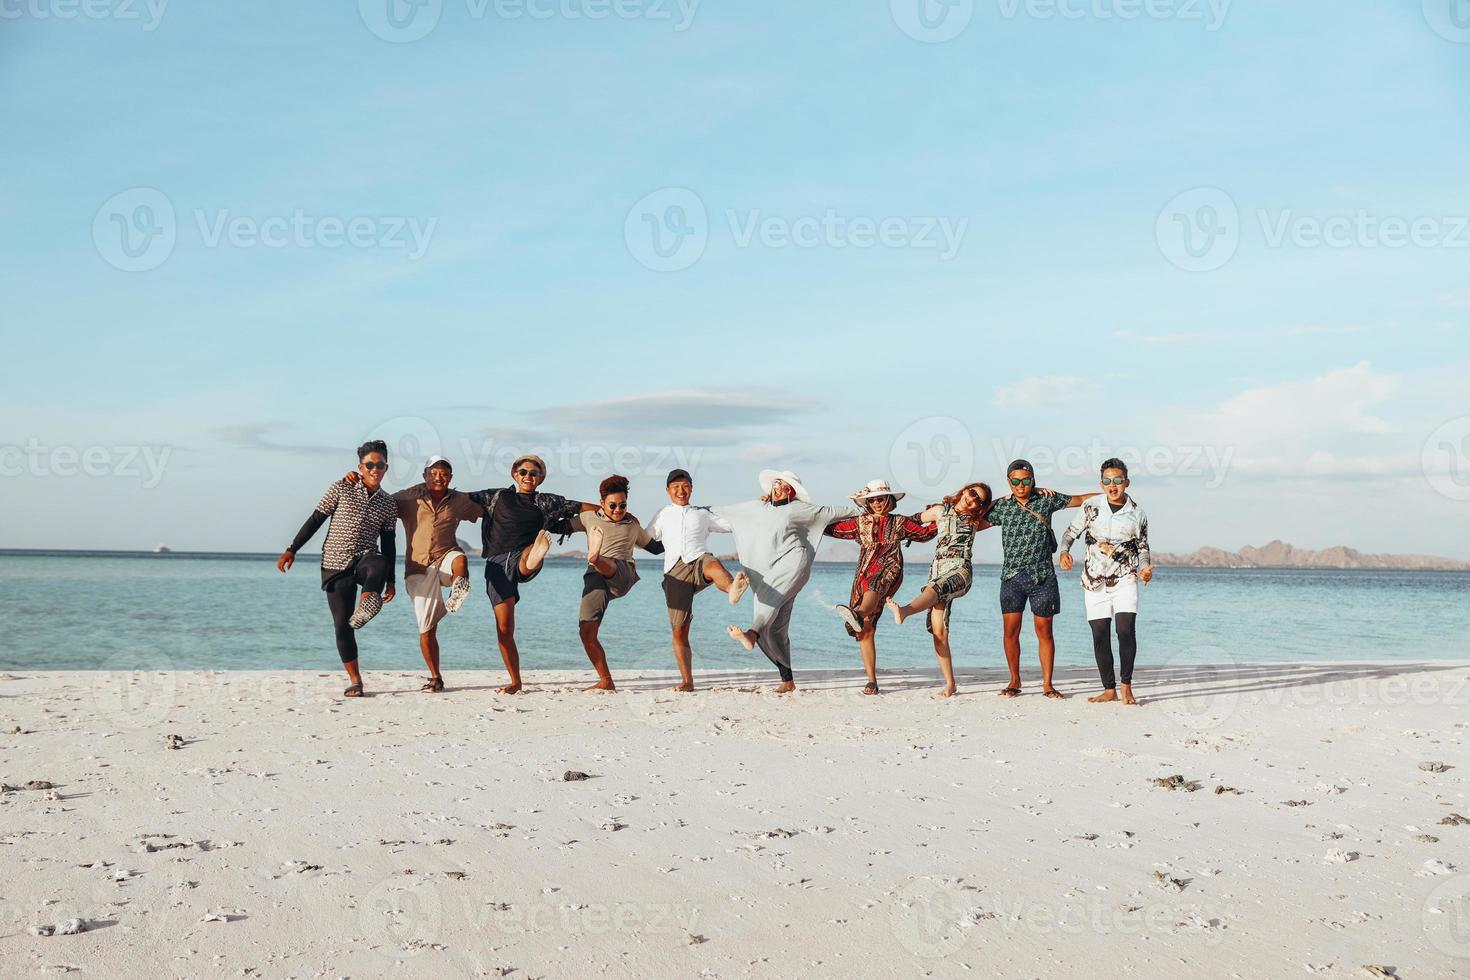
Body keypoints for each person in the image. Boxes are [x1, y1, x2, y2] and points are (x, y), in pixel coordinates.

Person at [713, 470, 856, 694]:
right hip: (765, 571)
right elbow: (726, 512)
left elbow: (837, 512)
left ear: (792, 491)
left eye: (784, 485)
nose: (778, 487)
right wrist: (695, 510)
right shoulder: (759, 507)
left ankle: (751, 632)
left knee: (765, 609)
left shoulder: (801, 509)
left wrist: (865, 506)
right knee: (775, 628)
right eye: (775, 484)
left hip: (793, 564)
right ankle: (787, 680)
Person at [466, 455, 599, 695]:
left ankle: (536, 554)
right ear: (515, 475)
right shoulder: (496, 496)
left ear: (541, 478)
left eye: (534, 473)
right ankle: (515, 681)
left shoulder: (545, 501)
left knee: (526, 561)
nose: (529, 476)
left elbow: (579, 506)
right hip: (496, 564)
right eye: (524, 472)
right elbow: (460, 499)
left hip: (523, 556)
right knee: (504, 629)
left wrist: (610, 511)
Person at [277, 440, 398, 698]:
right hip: (335, 562)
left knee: (379, 562)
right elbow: (316, 519)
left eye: (380, 464)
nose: (375, 469)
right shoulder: (341, 488)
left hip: (365, 558)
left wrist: (392, 581)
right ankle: (355, 680)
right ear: (360, 467)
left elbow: (389, 543)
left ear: (386, 467)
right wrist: (292, 548)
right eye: (370, 465)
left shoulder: (388, 504)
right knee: (342, 627)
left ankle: (367, 602)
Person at [982, 459, 1098, 700]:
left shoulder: (1047, 499)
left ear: (1033, 480)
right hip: (1011, 577)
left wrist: (1111, 494)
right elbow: (975, 518)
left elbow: (1080, 499)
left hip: (1042, 577)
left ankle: (1048, 684)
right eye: (1015, 481)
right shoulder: (1002, 507)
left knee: (1044, 632)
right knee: (1010, 632)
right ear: (1009, 482)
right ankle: (1014, 680)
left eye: (1025, 480)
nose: (1020, 484)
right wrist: (994, 501)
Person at [823, 480, 936, 695]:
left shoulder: (900, 523)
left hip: (889, 567)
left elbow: (925, 534)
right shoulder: (859, 522)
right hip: (863, 572)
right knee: (866, 629)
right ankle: (871, 681)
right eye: (872, 500)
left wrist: (940, 516)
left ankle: (857, 613)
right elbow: (828, 528)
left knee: (875, 587)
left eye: (880, 499)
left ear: (889, 500)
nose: (876, 503)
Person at [642, 468, 749, 692]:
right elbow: (645, 538)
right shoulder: (663, 514)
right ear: (668, 490)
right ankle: (687, 681)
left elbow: (731, 525)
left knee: (713, 564)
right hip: (674, 571)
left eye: (686, 486)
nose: (681, 491)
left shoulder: (702, 514)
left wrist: (756, 512)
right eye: (676, 487)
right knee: (679, 631)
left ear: (691, 488)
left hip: (698, 558)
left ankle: (732, 588)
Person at [886, 481, 996, 697]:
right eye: (972, 493)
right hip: (937, 571)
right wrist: (906, 535)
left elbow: (1005, 506)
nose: (972, 499)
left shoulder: (976, 521)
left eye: (978, 500)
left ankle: (905, 611)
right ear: (965, 489)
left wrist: (1029, 493)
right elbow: (910, 522)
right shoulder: (940, 511)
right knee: (939, 632)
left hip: (959, 572)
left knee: (934, 589)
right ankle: (950, 684)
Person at [1060, 457, 1153, 706]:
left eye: (1118, 481)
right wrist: (1064, 552)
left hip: (1125, 578)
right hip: (1094, 580)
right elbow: (1070, 533)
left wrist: (1145, 569)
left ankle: (1126, 686)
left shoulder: (1137, 514)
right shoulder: (1091, 507)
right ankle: (1109, 689)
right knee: (1099, 634)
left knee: (1125, 630)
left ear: (1127, 482)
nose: (1113, 485)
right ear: (1101, 484)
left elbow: (1143, 548)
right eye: (1107, 481)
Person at [563, 474, 665, 693]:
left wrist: (679, 528)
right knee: (586, 633)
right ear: (602, 503)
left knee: (603, 561)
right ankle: (606, 680)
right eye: (613, 505)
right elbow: (561, 528)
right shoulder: (589, 518)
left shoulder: (632, 526)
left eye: (623, 505)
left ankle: (595, 556)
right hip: (596, 578)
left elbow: (656, 549)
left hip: (623, 574)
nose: (618, 510)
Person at [393, 456, 481, 694]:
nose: (439, 477)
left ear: (450, 477)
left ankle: (459, 587)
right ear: (425, 475)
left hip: (446, 557)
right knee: (427, 628)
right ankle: (435, 677)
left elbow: (488, 509)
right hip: (418, 568)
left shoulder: (460, 500)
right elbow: (380, 504)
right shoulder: (407, 497)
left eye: (444, 474)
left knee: (460, 559)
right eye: (434, 473)